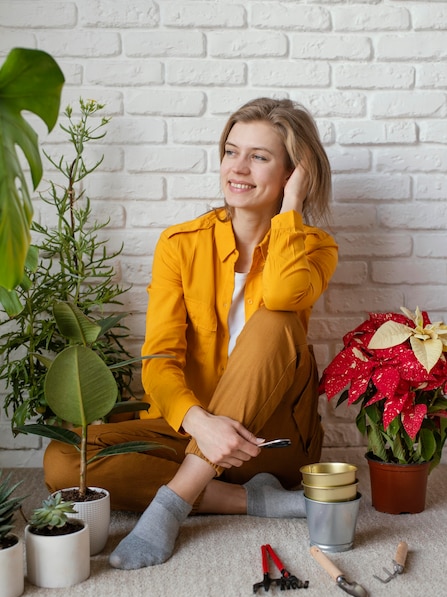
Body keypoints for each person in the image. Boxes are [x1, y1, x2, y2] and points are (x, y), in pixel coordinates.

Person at [44, 97, 338, 570]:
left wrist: (292, 208)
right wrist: (200, 422)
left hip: (271, 445)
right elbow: (158, 359)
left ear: (293, 172)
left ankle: (173, 503)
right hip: (193, 432)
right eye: (231, 150)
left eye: (259, 157)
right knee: (63, 460)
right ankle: (250, 501)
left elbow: (284, 293)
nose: (237, 168)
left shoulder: (313, 248)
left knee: (276, 317)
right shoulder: (181, 244)